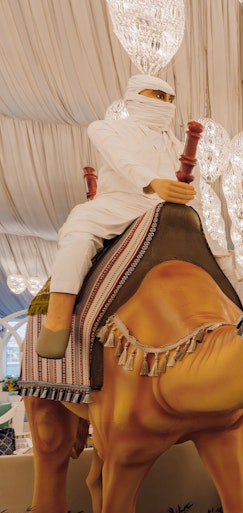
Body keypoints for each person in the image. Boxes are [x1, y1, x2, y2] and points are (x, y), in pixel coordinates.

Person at [37, 74, 196, 359]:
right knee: (79, 232)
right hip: (117, 205)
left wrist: (193, 196)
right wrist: (153, 182)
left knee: (221, 256)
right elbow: (122, 159)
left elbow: (197, 185)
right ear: (135, 96)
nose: (166, 104)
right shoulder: (105, 129)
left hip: (164, 212)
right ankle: (58, 319)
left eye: (171, 99)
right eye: (159, 96)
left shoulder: (176, 145)